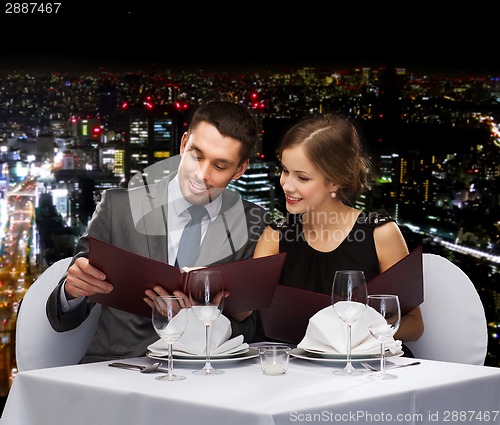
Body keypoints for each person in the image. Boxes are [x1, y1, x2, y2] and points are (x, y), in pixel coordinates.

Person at [46, 100, 270, 363]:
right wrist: (71, 292)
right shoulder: (118, 208)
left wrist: (204, 318)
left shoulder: (253, 224)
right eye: (196, 156)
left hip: (205, 378)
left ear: (240, 170)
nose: (201, 174)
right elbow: (61, 319)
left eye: (220, 166)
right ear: (183, 143)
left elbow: (253, 329)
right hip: (117, 372)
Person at [253, 113, 424, 344]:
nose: (286, 184)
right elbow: (250, 312)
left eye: (302, 178)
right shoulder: (274, 236)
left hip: (366, 369)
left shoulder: (381, 234)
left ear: (334, 182)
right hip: (298, 370)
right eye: (285, 171)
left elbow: (414, 325)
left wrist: (361, 330)